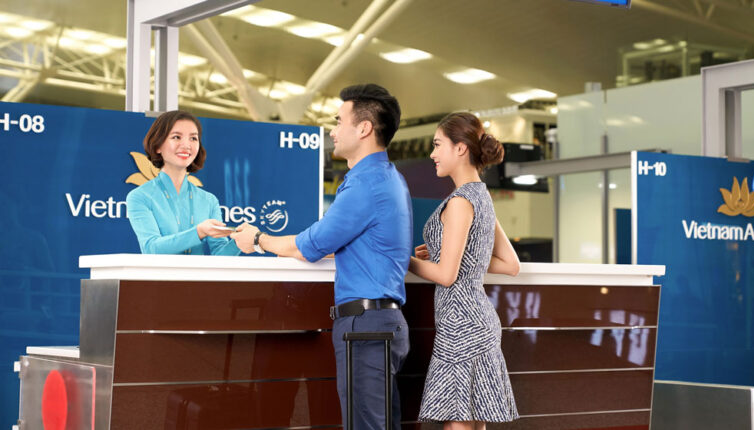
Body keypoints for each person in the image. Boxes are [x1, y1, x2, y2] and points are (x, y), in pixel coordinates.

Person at [231, 84, 412, 430]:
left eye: (339, 121)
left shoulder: (366, 184)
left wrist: (257, 238)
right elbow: (333, 241)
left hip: (366, 327)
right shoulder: (388, 178)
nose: (332, 130)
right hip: (378, 325)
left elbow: (310, 246)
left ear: (364, 128)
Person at [409, 112, 521, 429]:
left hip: (460, 324)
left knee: (457, 423)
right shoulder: (481, 195)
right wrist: (446, 253)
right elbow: (510, 264)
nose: (432, 154)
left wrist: (402, 259)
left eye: (437, 144)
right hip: (477, 321)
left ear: (460, 148)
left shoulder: (459, 201)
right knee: (474, 421)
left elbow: (447, 276)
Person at [126, 110, 240, 256]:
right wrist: (199, 232)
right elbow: (151, 248)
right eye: (176, 137)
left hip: (198, 272)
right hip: (158, 272)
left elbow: (220, 255)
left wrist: (239, 242)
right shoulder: (140, 196)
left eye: (193, 138)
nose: (186, 145)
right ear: (157, 146)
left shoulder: (209, 200)